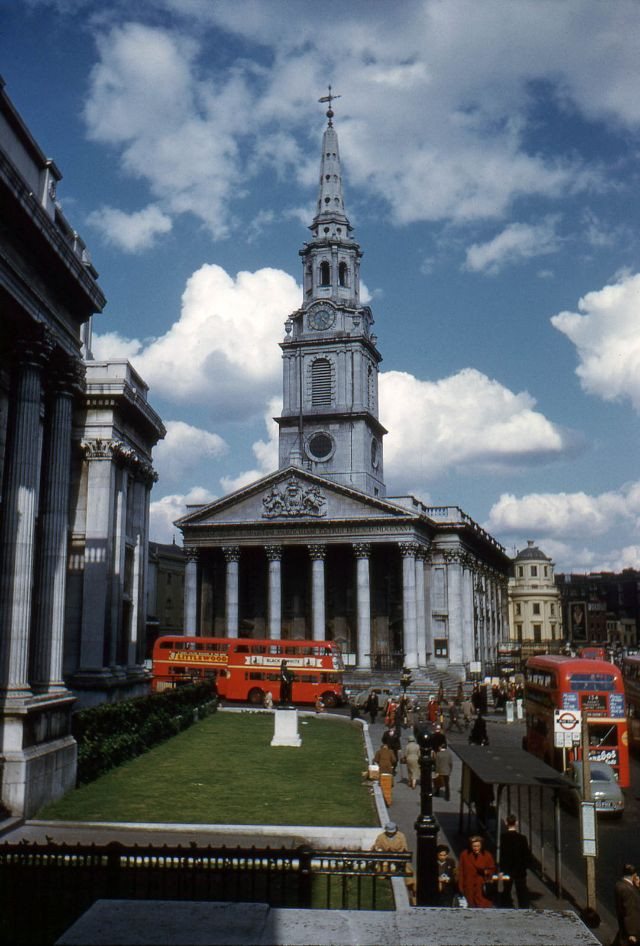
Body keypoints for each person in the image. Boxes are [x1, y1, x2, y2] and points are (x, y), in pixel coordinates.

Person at [499, 814, 530, 908]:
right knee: (522, 892)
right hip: (520, 870)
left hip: (507, 870)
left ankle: (507, 907)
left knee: (507, 890)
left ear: (506, 823)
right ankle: (524, 909)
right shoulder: (522, 838)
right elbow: (526, 854)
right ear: (516, 823)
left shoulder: (503, 837)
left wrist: (502, 870)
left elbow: (503, 856)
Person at [458, 835, 496, 908]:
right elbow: (461, 871)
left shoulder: (487, 855)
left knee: (482, 906)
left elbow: (492, 869)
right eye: (474, 846)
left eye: (478, 846)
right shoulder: (464, 854)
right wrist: (460, 886)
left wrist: (486, 872)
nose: (476, 848)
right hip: (469, 886)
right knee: (471, 906)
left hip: (481, 886)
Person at [614, 863, 640, 945]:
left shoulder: (619, 885)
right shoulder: (629, 890)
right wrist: (632, 934)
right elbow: (630, 911)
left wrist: (637, 887)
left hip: (623, 926)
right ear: (634, 875)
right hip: (632, 931)